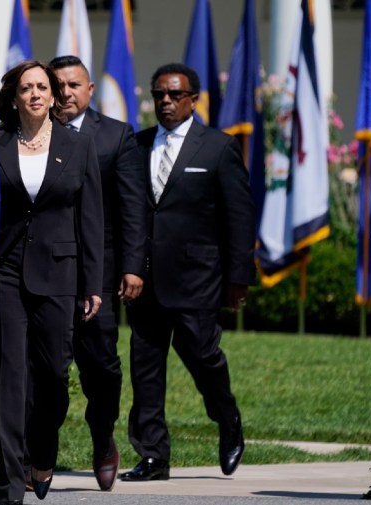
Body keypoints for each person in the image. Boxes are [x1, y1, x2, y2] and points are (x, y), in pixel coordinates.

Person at [117, 63, 255, 482]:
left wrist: (237, 279)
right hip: (144, 280)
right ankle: (154, 455)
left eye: (175, 95)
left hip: (199, 278)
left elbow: (238, 218)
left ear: (193, 98)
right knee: (145, 368)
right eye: (159, 94)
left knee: (203, 357)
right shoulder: (136, 146)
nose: (166, 102)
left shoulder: (218, 147)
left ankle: (227, 418)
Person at [0, 60, 103, 505]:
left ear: (54, 96)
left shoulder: (79, 144)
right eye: (26, 87)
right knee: (7, 380)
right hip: (5, 271)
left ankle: (43, 456)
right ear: (14, 98)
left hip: (60, 272)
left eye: (42, 87)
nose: (35, 93)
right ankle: (8, 488)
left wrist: (93, 282)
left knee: (53, 373)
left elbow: (91, 217)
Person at [47, 54, 145, 492]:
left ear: (89, 90)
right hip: (45, 267)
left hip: (99, 269)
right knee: (46, 366)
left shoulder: (115, 136)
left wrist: (131, 266)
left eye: (73, 85)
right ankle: (39, 447)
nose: (65, 93)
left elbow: (131, 208)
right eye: (57, 85)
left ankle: (103, 438)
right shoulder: (32, 131)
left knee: (101, 367)